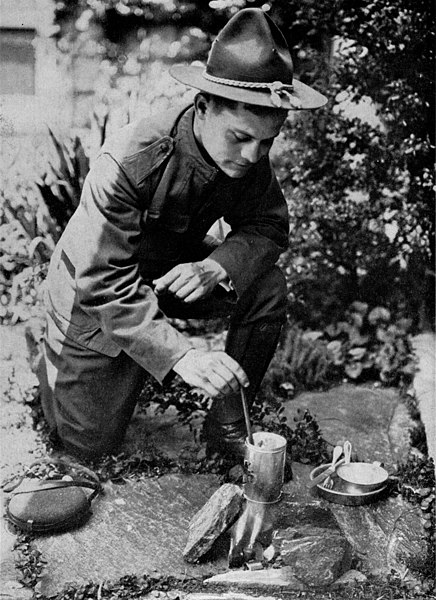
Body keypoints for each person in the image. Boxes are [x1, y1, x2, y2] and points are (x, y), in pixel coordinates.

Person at [37, 8, 327, 461]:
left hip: (171, 276)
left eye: (267, 142)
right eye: (242, 138)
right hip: (95, 295)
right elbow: (102, 282)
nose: (254, 157)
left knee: (268, 286)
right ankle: (56, 362)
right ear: (204, 106)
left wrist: (216, 267)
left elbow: (268, 226)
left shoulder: (245, 152)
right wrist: (183, 357)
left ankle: (228, 423)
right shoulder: (130, 161)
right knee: (88, 448)